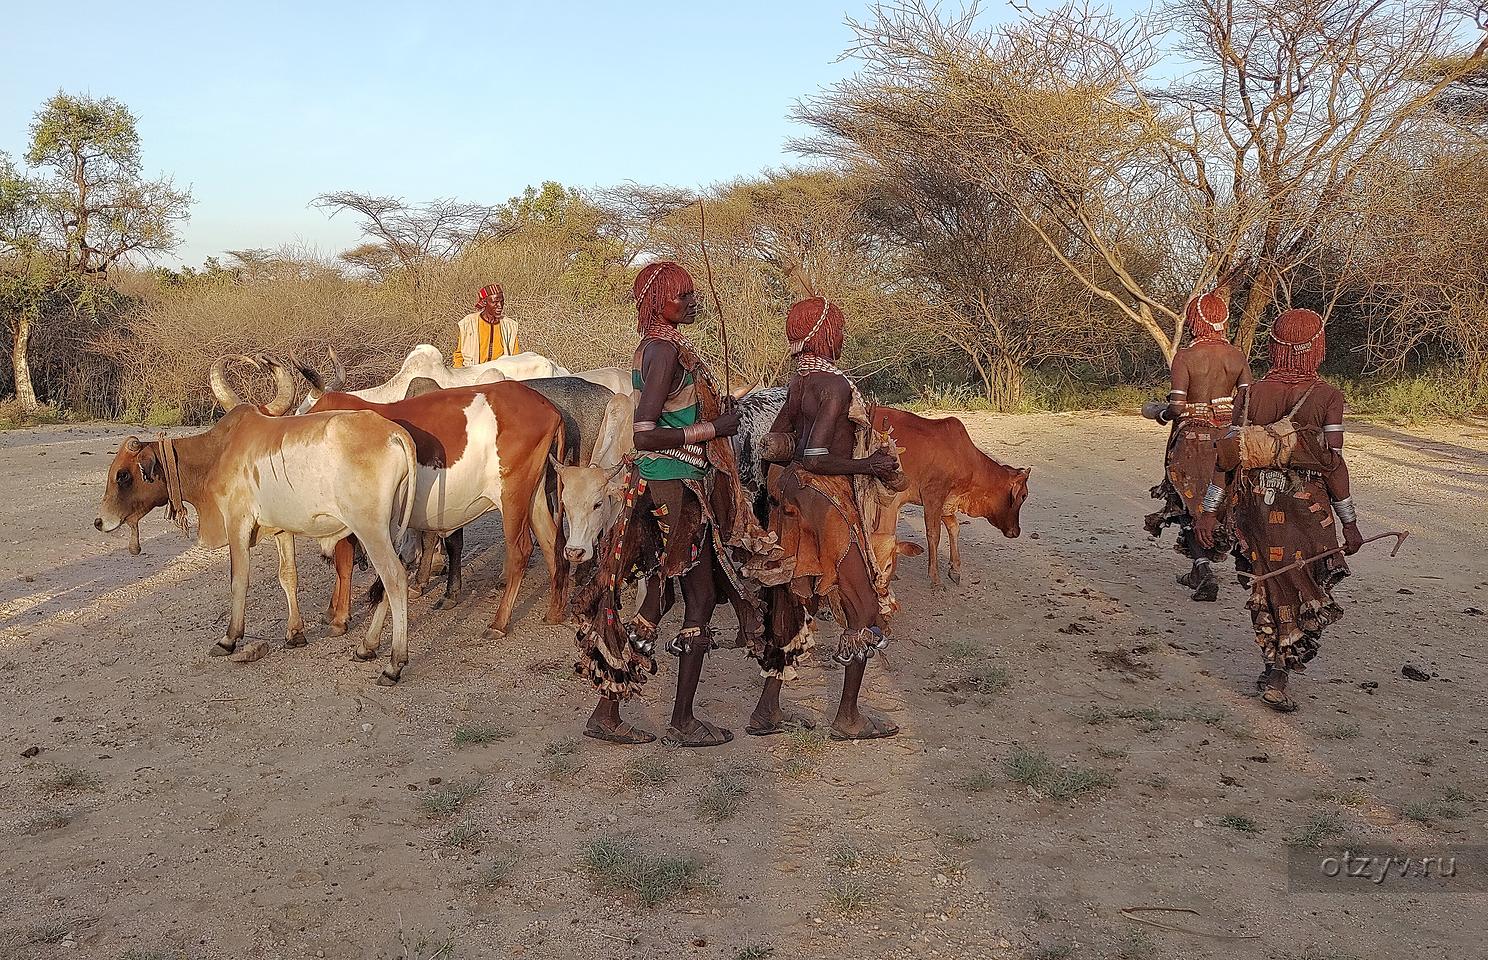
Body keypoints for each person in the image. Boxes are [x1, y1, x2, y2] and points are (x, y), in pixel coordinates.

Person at [573, 262, 780, 747]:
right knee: (697, 598)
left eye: (692, 294)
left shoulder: (657, 347)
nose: (693, 302)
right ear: (657, 301)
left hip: (669, 484)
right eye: (682, 295)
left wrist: (716, 411)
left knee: (663, 597)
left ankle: (611, 708)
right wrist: (714, 430)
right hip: (676, 490)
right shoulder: (664, 351)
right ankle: (679, 720)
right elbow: (645, 432)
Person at [748, 297, 906, 741]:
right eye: (838, 326)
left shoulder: (799, 383)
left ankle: (768, 709)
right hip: (827, 501)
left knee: (795, 599)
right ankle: (848, 716)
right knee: (866, 608)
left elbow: (778, 440)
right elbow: (818, 456)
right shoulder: (834, 386)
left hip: (793, 497)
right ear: (825, 331)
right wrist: (869, 465)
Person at [1196, 308, 1364, 712]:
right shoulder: (1327, 397)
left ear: (1273, 347)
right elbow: (1334, 464)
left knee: (1267, 582)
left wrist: (1208, 512)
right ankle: (1279, 669)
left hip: (1255, 508)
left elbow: (1227, 460)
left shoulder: (1250, 395)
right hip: (1308, 513)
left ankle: (1274, 664)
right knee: (1301, 583)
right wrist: (1350, 523)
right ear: (1317, 347)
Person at [1143, 291, 1252, 600]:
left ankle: (1203, 570)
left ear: (1193, 320)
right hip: (1229, 440)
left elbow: (1177, 407)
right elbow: (1246, 401)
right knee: (1225, 500)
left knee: (1190, 504)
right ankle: (1240, 565)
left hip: (1192, 442)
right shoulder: (1236, 356)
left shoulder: (1186, 357)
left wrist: (1160, 413)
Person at [451, 284, 521, 367]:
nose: (500, 306)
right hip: (473, 374)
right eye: (494, 302)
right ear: (484, 302)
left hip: (501, 374)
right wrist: (460, 372)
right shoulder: (468, 324)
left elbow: (515, 357)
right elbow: (459, 355)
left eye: (502, 301)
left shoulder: (510, 326)